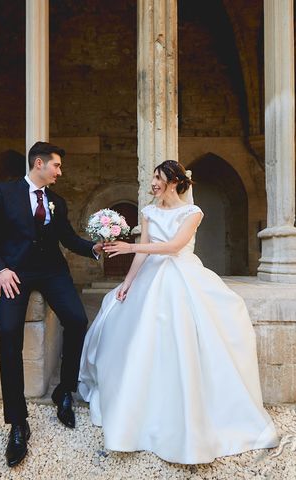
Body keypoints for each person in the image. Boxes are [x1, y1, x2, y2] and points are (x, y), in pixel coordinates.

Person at [78, 160, 279, 464]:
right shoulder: (147, 212)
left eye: (158, 178)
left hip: (183, 277)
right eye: (153, 178)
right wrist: (128, 283)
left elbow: (174, 246)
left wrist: (131, 248)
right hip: (149, 280)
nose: (153, 183)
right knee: (134, 337)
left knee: (188, 337)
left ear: (173, 181)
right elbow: (144, 251)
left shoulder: (192, 213)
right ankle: (138, 413)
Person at [0, 141, 103, 468]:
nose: (60, 172)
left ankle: (65, 392)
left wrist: (95, 248)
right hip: (13, 272)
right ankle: (18, 423)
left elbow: (69, 239)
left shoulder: (56, 201)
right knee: (9, 336)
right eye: (56, 166)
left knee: (76, 321)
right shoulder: (4, 192)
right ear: (39, 164)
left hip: (51, 272)